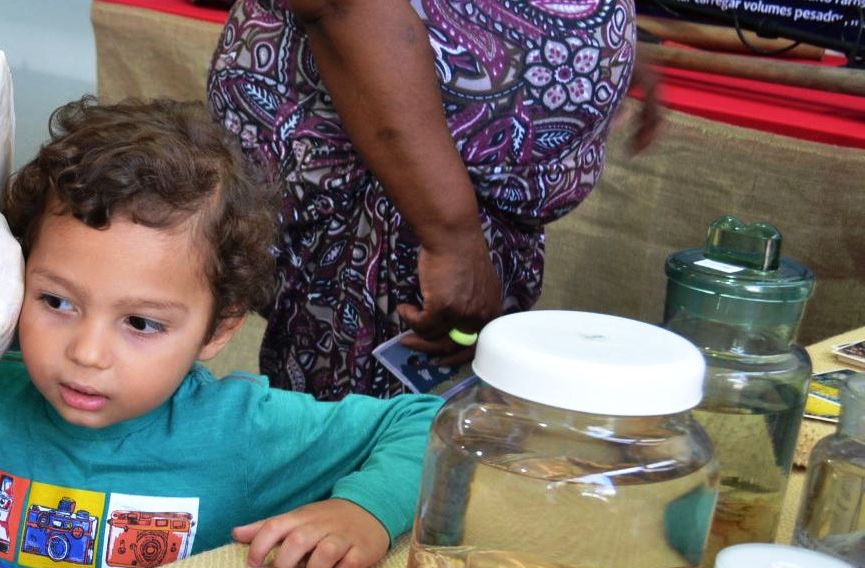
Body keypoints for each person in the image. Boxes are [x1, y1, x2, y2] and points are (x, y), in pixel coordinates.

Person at [0, 98, 441, 568]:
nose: (87, 353)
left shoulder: (241, 430)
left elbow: (425, 425)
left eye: (141, 323)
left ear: (218, 329)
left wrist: (366, 510)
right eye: (57, 302)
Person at [208, 0, 659, 399]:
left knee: (437, 434)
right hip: (389, 173)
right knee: (375, 446)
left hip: (434, 188)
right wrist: (451, 235)